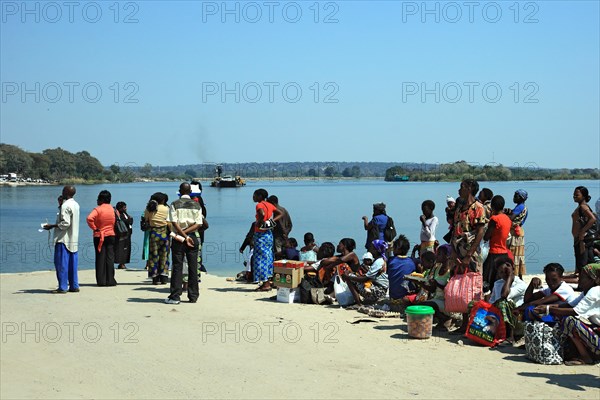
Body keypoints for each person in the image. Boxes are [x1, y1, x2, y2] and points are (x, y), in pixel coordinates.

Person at [543, 263, 600, 365]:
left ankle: (586, 357)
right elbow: (569, 305)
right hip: (596, 332)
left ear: (593, 279)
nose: (579, 280)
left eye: (583, 277)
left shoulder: (595, 291)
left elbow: (574, 310)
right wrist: (549, 307)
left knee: (569, 320)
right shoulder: (585, 292)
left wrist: (548, 308)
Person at [165, 183, 204, 304]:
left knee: (177, 266)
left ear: (180, 191)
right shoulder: (197, 205)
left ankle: (175, 296)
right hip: (193, 237)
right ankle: (193, 296)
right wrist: (187, 235)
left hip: (179, 237)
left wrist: (183, 235)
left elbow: (174, 222)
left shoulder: (175, 204)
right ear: (190, 191)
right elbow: (198, 224)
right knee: (193, 267)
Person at [43, 186, 80, 294]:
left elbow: (65, 223)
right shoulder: (76, 204)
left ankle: (63, 287)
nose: (62, 192)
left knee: (61, 264)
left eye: (63, 190)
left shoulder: (65, 205)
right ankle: (74, 285)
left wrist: (52, 226)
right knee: (72, 264)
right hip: (73, 239)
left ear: (66, 192)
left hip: (63, 239)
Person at [451, 179, 487, 274]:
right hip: (457, 253)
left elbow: (480, 232)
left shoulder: (478, 208)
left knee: (472, 283)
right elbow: (454, 229)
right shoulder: (459, 209)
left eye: (461, 187)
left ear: (469, 189)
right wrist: (453, 252)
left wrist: (468, 256)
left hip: (471, 254)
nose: (459, 190)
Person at [488, 256, 527, 344]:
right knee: (475, 304)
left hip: (516, 319)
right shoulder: (497, 283)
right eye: (501, 272)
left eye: (506, 271)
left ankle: (510, 336)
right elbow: (492, 301)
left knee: (502, 303)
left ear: (512, 269)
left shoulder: (520, 284)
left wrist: (510, 277)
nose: (504, 274)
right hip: (500, 317)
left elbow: (504, 295)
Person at [252, 189, 282, 291]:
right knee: (268, 257)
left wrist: (260, 221)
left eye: (255, 195)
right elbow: (280, 213)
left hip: (260, 234)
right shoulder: (270, 204)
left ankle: (265, 284)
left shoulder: (259, 205)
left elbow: (261, 213)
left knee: (260, 258)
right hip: (269, 234)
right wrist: (271, 221)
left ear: (260, 196)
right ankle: (267, 281)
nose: (253, 197)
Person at [86, 190, 117, 287]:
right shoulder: (113, 209)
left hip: (100, 236)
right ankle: (110, 280)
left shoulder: (98, 209)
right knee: (110, 258)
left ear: (101, 199)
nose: (97, 200)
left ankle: (101, 281)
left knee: (100, 258)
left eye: (98, 198)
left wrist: (95, 228)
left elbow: (89, 218)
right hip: (111, 235)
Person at [483, 195, 512, 285]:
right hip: (504, 252)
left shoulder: (494, 219)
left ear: (492, 206)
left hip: (494, 253)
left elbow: (486, 237)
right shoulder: (507, 219)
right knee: (500, 279)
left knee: (488, 279)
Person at [144, 193, 170, 285]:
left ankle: (155, 277)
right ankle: (164, 276)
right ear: (163, 200)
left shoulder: (149, 209)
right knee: (164, 255)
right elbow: (169, 221)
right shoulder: (167, 209)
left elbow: (146, 219)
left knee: (153, 256)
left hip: (153, 233)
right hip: (164, 234)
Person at [572, 186, 597, 273]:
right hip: (581, 239)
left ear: (583, 196)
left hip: (582, 240)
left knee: (582, 265)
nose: (574, 196)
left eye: (577, 195)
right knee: (589, 262)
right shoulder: (582, 207)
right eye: (574, 195)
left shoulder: (583, 207)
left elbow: (593, 219)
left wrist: (582, 232)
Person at [505, 189, 528, 279]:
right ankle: (519, 276)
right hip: (519, 231)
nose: (514, 197)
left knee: (514, 254)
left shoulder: (520, 207)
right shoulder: (521, 207)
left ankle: (514, 275)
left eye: (516, 196)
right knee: (518, 256)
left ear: (521, 198)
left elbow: (511, 218)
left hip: (515, 233)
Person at [387, 235, 417, 300]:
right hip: (407, 295)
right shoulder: (412, 262)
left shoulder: (391, 261)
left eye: (394, 248)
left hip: (393, 296)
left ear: (398, 249)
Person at [267, 195, 292, 260]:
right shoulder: (284, 210)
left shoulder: (276, 211)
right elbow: (290, 224)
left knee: (278, 255)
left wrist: (265, 225)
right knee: (284, 254)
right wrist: (287, 233)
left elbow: (280, 224)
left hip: (278, 237)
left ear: (272, 203)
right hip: (285, 236)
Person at [114, 201, 133, 270]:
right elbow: (127, 221)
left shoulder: (124, 214)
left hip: (127, 234)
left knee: (126, 249)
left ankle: (123, 263)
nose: (125, 209)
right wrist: (129, 220)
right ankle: (121, 263)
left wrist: (129, 220)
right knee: (122, 249)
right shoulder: (119, 215)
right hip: (123, 234)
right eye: (124, 207)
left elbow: (130, 220)